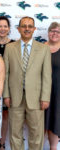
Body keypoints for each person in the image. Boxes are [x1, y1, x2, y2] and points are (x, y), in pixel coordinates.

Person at [3, 16, 52, 150]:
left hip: (36, 99)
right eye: (24, 26)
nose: (27, 29)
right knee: (15, 133)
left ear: (34, 29)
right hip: (14, 98)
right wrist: (6, 95)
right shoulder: (9, 48)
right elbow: (6, 74)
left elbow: (46, 75)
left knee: (36, 134)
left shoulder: (43, 49)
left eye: (30, 26)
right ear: (18, 29)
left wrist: (45, 97)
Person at [0, 16, 15, 150]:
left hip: (9, 85)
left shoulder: (14, 44)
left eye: (5, 26)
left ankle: (2, 143)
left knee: (5, 115)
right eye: (0, 26)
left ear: (9, 28)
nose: (2, 29)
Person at [45, 22, 60, 150]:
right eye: (52, 31)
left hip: (57, 92)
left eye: (58, 32)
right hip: (41, 91)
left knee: (55, 121)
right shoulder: (40, 47)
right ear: (48, 32)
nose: (55, 33)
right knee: (40, 123)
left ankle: (53, 148)